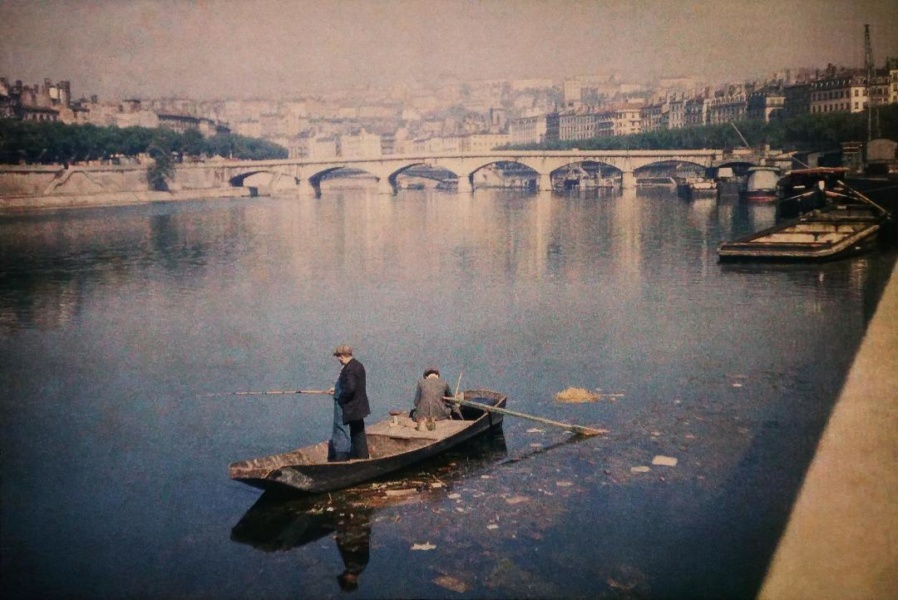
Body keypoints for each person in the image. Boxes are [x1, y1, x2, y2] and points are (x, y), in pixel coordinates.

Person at [329, 345, 370, 462]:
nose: (338, 360)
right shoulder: (358, 365)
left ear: (341, 356)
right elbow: (352, 385)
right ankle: (363, 458)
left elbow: (351, 388)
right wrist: (336, 389)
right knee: (358, 433)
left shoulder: (349, 369)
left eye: (338, 357)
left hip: (348, 406)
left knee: (341, 431)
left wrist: (340, 397)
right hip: (359, 407)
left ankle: (341, 460)